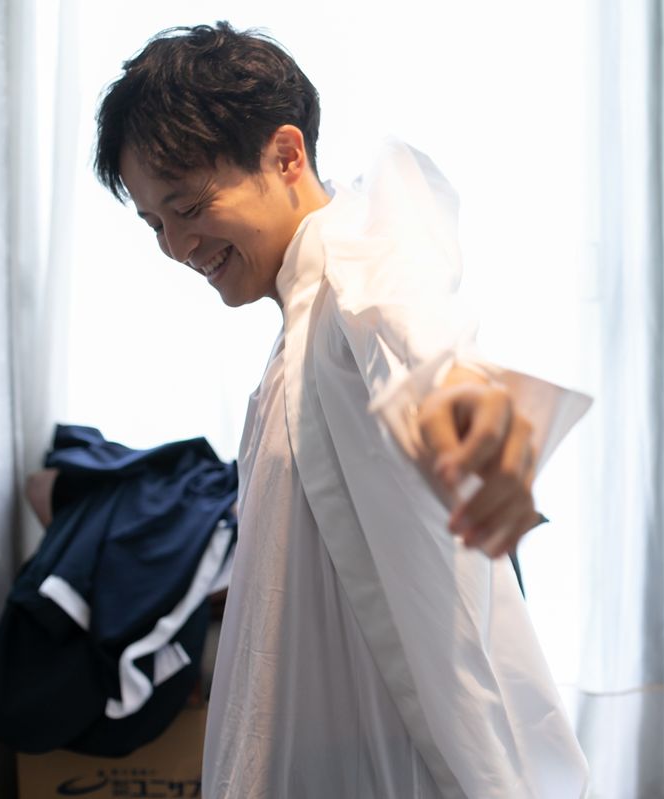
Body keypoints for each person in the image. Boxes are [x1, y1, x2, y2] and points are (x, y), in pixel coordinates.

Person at [93, 21, 589, 797]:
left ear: (286, 156)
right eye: (156, 223)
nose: (176, 245)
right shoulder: (304, 312)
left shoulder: (355, 266)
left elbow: (416, 336)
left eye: (188, 206)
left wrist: (479, 440)